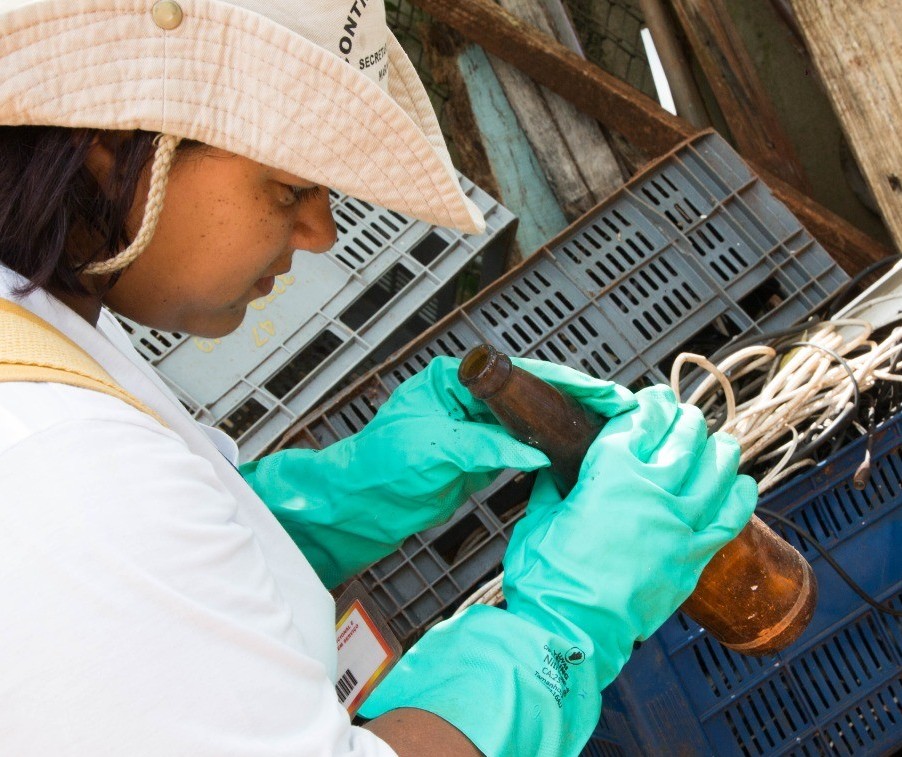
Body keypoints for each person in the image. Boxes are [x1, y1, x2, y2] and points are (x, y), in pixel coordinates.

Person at [0, 1, 757, 755]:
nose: (321, 232)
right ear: (113, 139)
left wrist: (340, 497)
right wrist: (563, 628)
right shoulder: (60, 467)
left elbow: (154, 590)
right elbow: (107, 532)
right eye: (290, 188)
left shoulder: (40, 335)